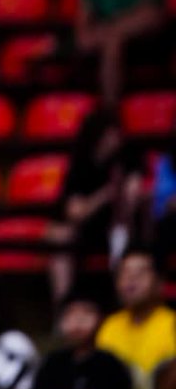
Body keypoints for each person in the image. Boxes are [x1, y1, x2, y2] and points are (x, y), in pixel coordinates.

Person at [49, 109, 144, 301]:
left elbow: (137, 191)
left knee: (122, 235)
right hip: (89, 226)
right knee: (59, 236)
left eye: (116, 133)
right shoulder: (80, 164)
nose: (114, 139)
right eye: (109, 135)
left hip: (124, 224)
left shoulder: (129, 154)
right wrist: (106, 194)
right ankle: (64, 306)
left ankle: (124, 303)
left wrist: (128, 194)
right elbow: (75, 212)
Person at [19, 287, 132, 389]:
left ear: (101, 319)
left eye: (86, 312)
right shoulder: (52, 361)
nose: (78, 320)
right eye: (70, 313)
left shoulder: (109, 364)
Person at [76, 0, 165, 104]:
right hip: (103, 42)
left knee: (150, 14)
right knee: (113, 41)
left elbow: (152, 15)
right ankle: (110, 110)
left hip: (146, 41)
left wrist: (109, 26)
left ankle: (110, 110)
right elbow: (83, 25)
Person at [96, 247, 176, 384]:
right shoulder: (110, 326)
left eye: (141, 273)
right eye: (125, 272)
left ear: (160, 283)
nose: (131, 279)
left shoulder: (172, 324)